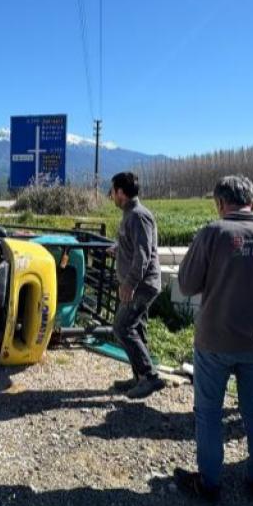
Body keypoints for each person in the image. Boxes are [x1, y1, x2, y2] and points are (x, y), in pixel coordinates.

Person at [174, 175, 253, 502]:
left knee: (209, 411)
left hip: (215, 339)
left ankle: (210, 482)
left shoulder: (213, 233)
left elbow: (186, 285)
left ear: (220, 203)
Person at [108, 171, 165, 400]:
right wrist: (118, 249)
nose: (111, 195)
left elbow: (143, 256)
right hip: (139, 283)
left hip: (142, 285)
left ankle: (149, 377)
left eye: (112, 191)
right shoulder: (129, 214)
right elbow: (134, 247)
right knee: (137, 329)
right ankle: (139, 377)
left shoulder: (139, 216)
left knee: (122, 327)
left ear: (121, 192)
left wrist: (129, 284)